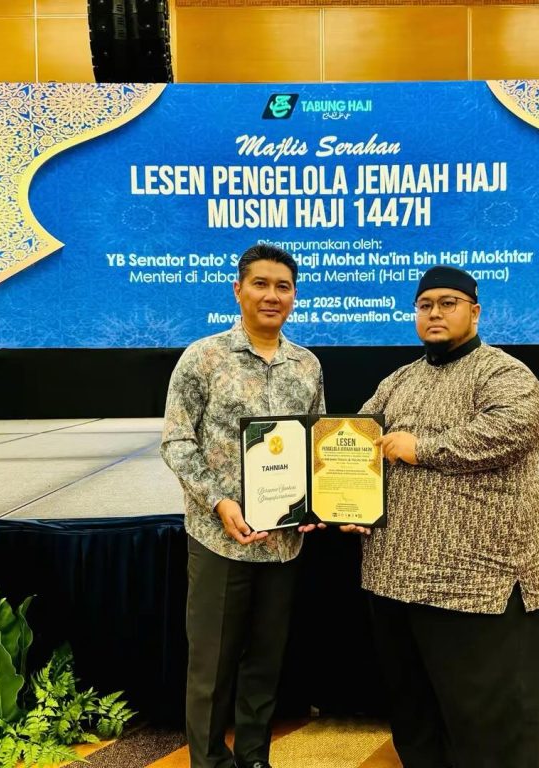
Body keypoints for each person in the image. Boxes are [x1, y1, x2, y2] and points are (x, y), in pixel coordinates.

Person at [348, 265, 539, 768]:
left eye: (448, 303)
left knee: (485, 721)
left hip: (476, 582)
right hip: (394, 575)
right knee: (415, 714)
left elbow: (510, 430)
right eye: (425, 305)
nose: (434, 313)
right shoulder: (398, 380)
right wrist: (346, 499)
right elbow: (355, 439)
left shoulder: (504, 373)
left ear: (474, 312)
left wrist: (421, 448)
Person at [161, 244, 325, 768]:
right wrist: (218, 502)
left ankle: (254, 758)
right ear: (238, 290)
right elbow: (177, 442)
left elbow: (316, 445)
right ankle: (209, 761)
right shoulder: (203, 357)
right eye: (261, 284)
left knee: (265, 664)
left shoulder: (307, 365)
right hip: (220, 540)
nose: (272, 295)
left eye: (283, 286)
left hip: (282, 544)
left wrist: (317, 501)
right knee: (211, 667)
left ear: (294, 296)